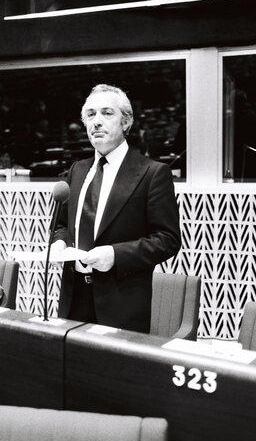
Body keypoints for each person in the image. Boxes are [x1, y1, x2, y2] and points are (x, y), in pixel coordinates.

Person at [52, 84, 181, 333]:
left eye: (106, 113)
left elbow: (167, 239)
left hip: (121, 305)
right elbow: (62, 225)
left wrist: (114, 255)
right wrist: (59, 243)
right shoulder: (77, 170)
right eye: (90, 115)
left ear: (126, 122)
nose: (96, 122)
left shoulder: (152, 173)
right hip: (73, 299)